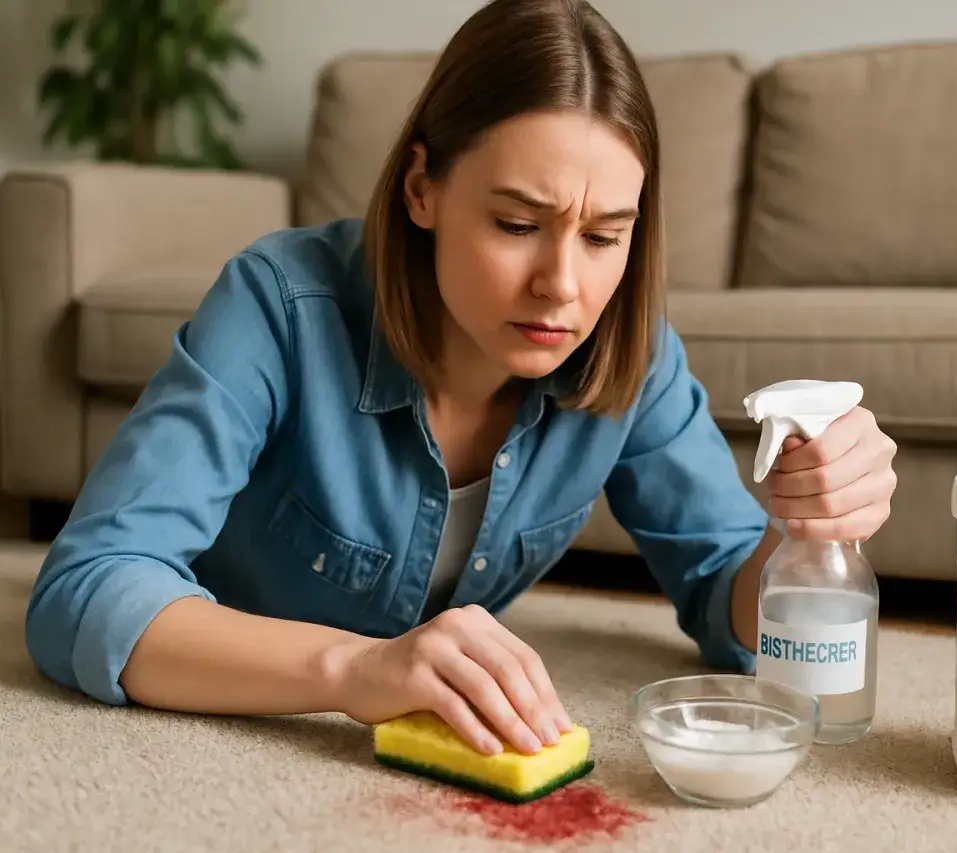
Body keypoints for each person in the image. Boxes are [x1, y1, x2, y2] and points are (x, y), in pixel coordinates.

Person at [24, 0, 897, 759]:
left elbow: (725, 592)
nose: (564, 284)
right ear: (421, 188)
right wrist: (354, 669)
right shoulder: (279, 305)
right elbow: (88, 589)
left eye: (604, 238)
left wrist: (805, 537)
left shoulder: (631, 350)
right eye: (519, 222)